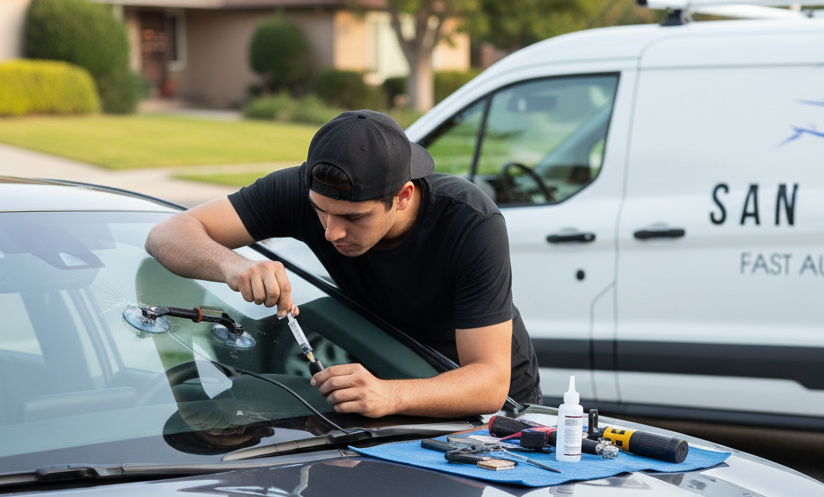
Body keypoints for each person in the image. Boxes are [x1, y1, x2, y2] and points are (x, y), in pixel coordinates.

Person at [144, 110, 541, 419]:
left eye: (353, 218)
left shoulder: (469, 222)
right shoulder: (305, 191)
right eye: (320, 212)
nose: (332, 232)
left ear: (403, 195)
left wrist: (391, 393)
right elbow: (166, 235)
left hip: (486, 409)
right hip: (382, 389)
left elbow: (489, 381)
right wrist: (232, 266)